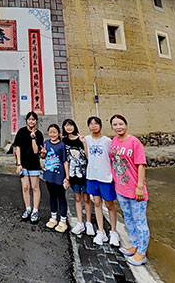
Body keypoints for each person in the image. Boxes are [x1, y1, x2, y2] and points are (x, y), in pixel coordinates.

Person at [109, 114, 150, 266]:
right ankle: (135, 245)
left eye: (121, 124)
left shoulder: (134, 142)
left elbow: (141, 164)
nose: (118, 127)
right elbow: (114, 163)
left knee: (140, 221)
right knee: (129, 218)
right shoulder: (114, 141)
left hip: (135, 189)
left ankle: (142, 252)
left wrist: (140, 186)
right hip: (121, 188)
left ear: (126, 125)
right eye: (115, 124)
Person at [85, 116, 119, 247]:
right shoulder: (87, 139)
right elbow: (87, 156)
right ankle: (101, 231)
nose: (93, 126)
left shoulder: (107, 141)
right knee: (97, 203)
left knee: (110, 205)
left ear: (100, 125)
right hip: (92, 176)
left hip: (105, 177)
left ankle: (114, 231)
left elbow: (112, 158)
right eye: (91, 124)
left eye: (96, 124)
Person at [61, 118, 94, 236]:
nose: (68, 127)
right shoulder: (64, 141)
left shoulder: (81, 139)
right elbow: (64, 159)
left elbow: (87, 156)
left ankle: (89, 222)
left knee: (87, 198)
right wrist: (66, 177)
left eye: (70, 125)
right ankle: (80, 222)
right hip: (72, 174)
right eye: (66, 126)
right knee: (77, 198)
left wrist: (84, 143)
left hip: (84, 173)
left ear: (74, 126)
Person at [13, 111, 44, 223]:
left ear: (36, 121)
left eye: (33, 119)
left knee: (35, 187)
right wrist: (19, 164)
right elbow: (18, 148)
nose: (31, 121)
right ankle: (28, 208)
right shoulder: (21, 132)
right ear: (26, 120)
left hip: (34, 164)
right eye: (29, 119)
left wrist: (33, 138)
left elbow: (36, 151)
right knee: (25, 187)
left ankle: (35, 211)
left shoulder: (39, 134)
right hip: (23, 164)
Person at [40, 124, 70, 232]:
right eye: (50, 132)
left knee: (61, 197)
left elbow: (65, 161)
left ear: (59, 133)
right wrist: (43, 154)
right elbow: (43, 156)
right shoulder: (46, 143)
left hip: (59, 175)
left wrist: (67, 177)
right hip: (49, 174)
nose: (52, 134)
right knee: (52, 196)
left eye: (54, 132)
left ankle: (63, 220)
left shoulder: (62, 145)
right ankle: (53, 217)